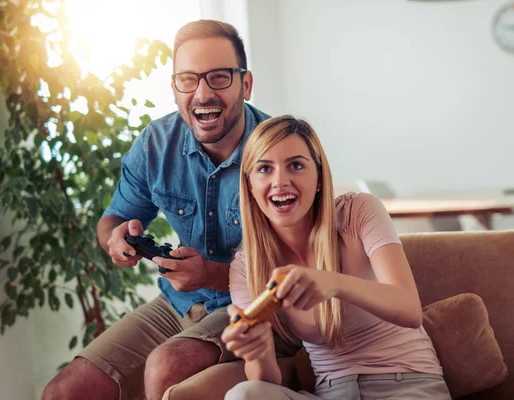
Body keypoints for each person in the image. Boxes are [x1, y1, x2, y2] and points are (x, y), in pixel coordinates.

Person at [42, 20, 298, 400]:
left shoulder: (281, 151)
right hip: (178, 303)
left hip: (257, 308)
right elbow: (113, 218)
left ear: (246, 84)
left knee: (167, 366)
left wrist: (211, 274)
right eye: (188, 80)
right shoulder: (155, 144)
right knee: (65, 391)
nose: (202, 94)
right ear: (175, 87)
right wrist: (115, 238)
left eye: (219, 78)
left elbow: (298, 272)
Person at [221, 115, 451, 400]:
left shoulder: (359, 211)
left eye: (296, 165)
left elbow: (409, 309)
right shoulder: (246, 267)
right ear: (250, 186)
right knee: (244, 394)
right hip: (332, 393)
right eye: (264, 169)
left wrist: (333, 282)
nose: (280, 181)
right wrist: (259, 350)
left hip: (409, 384)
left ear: (318, 178)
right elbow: (266, 381)